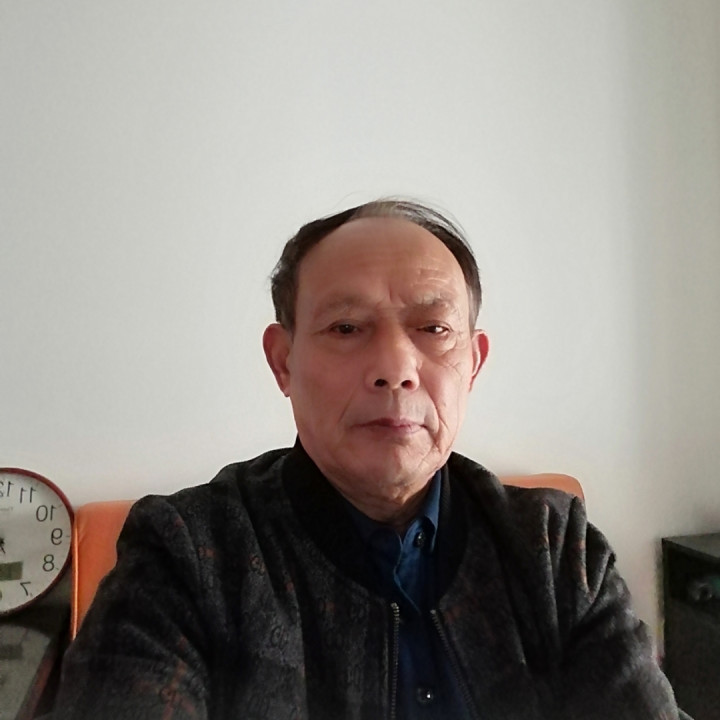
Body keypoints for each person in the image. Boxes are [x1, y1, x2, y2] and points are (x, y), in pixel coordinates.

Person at [53, 199, 682, 719]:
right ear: (283, 361)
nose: (395, 368)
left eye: (433, 329)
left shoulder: (555, 549)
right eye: (347, 328)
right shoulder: (185, 556)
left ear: (473, 363)